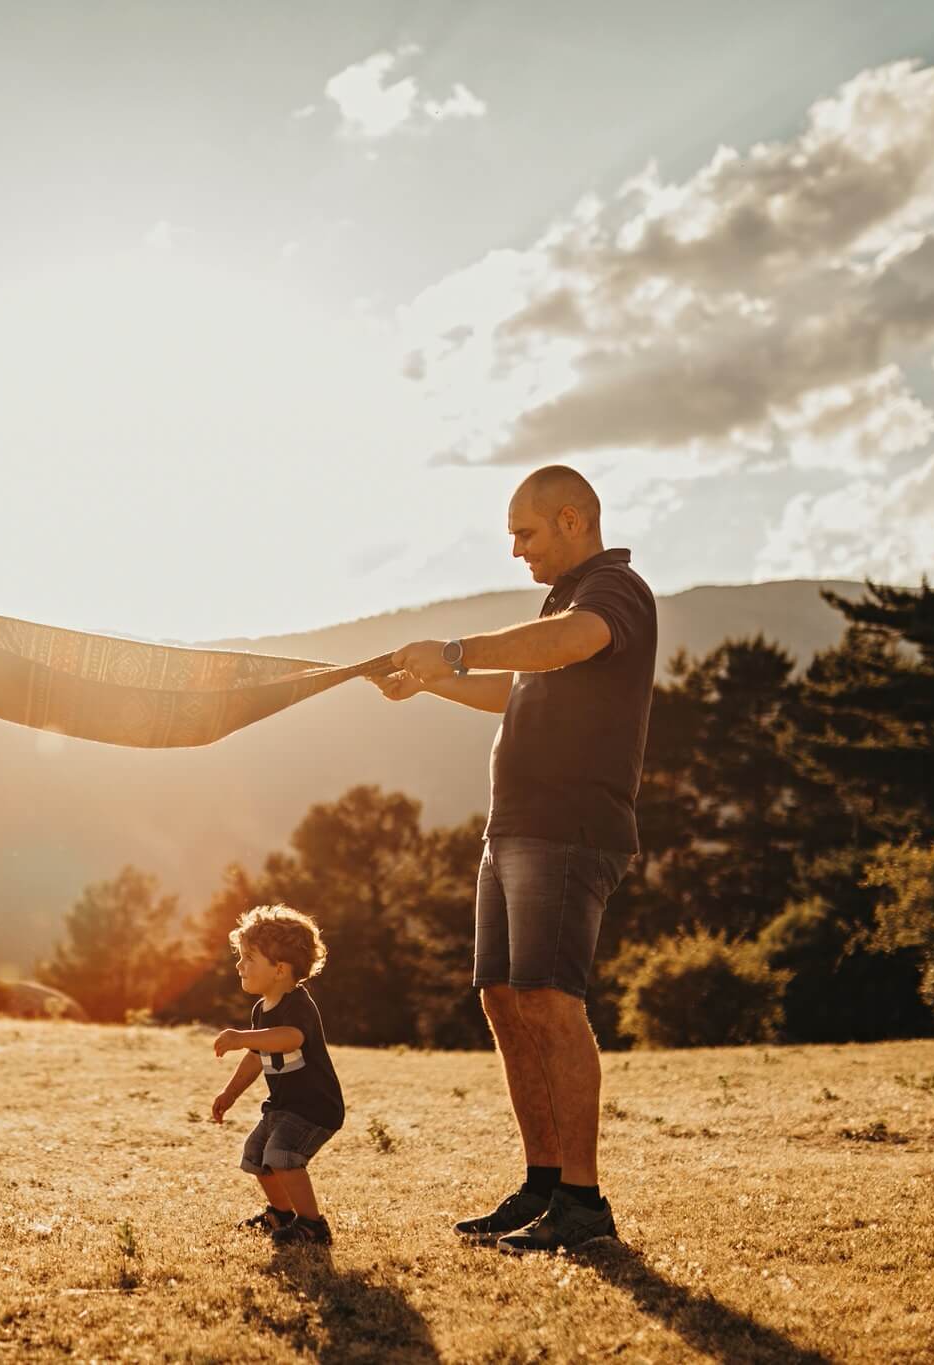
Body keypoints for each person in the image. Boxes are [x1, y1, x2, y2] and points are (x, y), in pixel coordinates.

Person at [375, 464, 656, 1252]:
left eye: (525, 533)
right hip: (513, 830)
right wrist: (431, 681)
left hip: (568, 829)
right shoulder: (560, 602)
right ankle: (543, 1183)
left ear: (572, 519)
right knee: (502, 997)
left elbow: (569, 643)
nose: (516, 551)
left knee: (549, 1001)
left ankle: (583, 1204)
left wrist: (454, 650)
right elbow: (520, 688)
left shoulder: (614, 590)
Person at [210, 905, 344, 1248]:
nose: (239, 965)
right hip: (282, 1106)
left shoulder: (298, 1004)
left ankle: (313, 1225)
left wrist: (241, 1038)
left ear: (280, 969)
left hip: (314, 1108)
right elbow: (257, 1057)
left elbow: (290, 1038)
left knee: (282, 1155)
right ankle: (282, 1215)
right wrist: (230, 1093)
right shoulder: (261, 1009)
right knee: (257, 1155)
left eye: (248, 958)